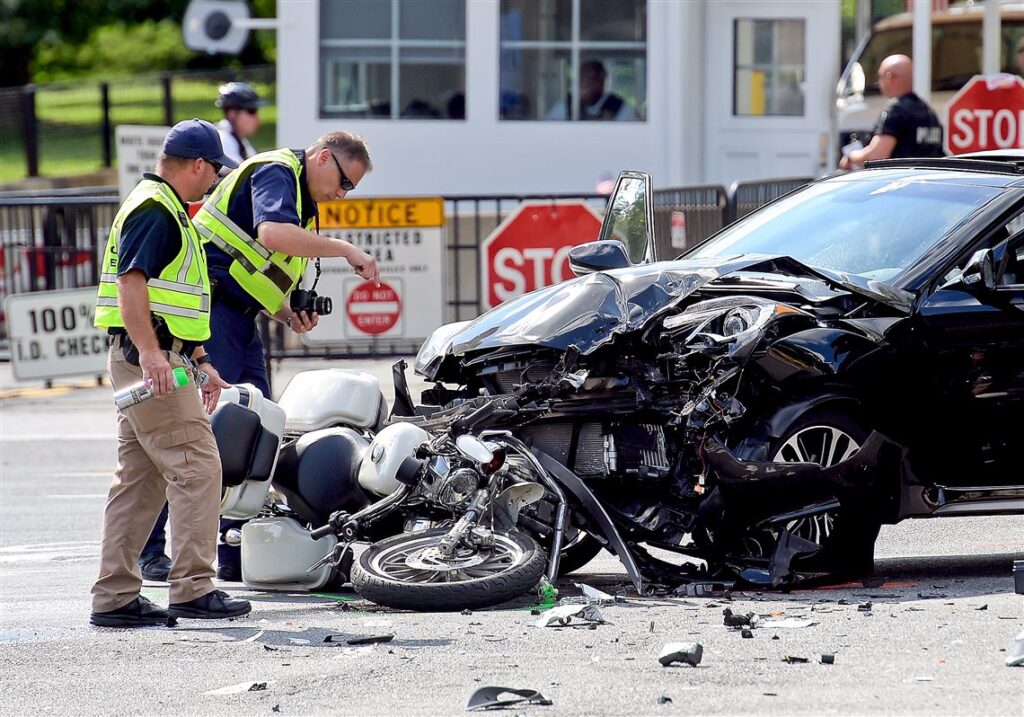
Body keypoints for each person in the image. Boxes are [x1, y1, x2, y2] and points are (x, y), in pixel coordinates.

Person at [192, 131, 380, 579]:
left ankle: (234, 553)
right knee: (210, 434)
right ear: (322, 157)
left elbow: (256, 264)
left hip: (239, 317)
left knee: (259, 435)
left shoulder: (300, 197)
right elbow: (272, 234)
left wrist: (286, 314)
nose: (341, 194)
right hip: (214, 312)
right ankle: (162, 551)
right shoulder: (278, 171)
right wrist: (344, 249)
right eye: (344, 182)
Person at [90, 118, 251, 627]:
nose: (214, 181)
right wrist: (156, 356)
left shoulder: (163, 208)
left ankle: (115, 597)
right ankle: (193, 588)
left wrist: (200, 361)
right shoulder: (158, 210)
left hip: (149, 357)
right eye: (214, 172)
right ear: (198, 165)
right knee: (200, 468)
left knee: (139, 482)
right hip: (151, 358)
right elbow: (131, 284)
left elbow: (168, 296)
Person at [839, 54, 943, 170]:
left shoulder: (895, 111)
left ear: (890, 76)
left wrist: (851, 156)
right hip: (927, 181)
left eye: (880, 76)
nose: (879, 82)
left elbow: (876, 157)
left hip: (901, 182)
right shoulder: (928, 112)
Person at [546, 60, 638, 121]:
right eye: (583, 78)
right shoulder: (565, 106)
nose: (587, 83)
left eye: (593, 78)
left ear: (602, 80)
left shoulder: (620, 107)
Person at [215, 82, 266, 166]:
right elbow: (242, 171)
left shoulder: (241, 141)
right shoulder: (222, 141)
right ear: (232, 114)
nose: (257, 118)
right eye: (251, 111)